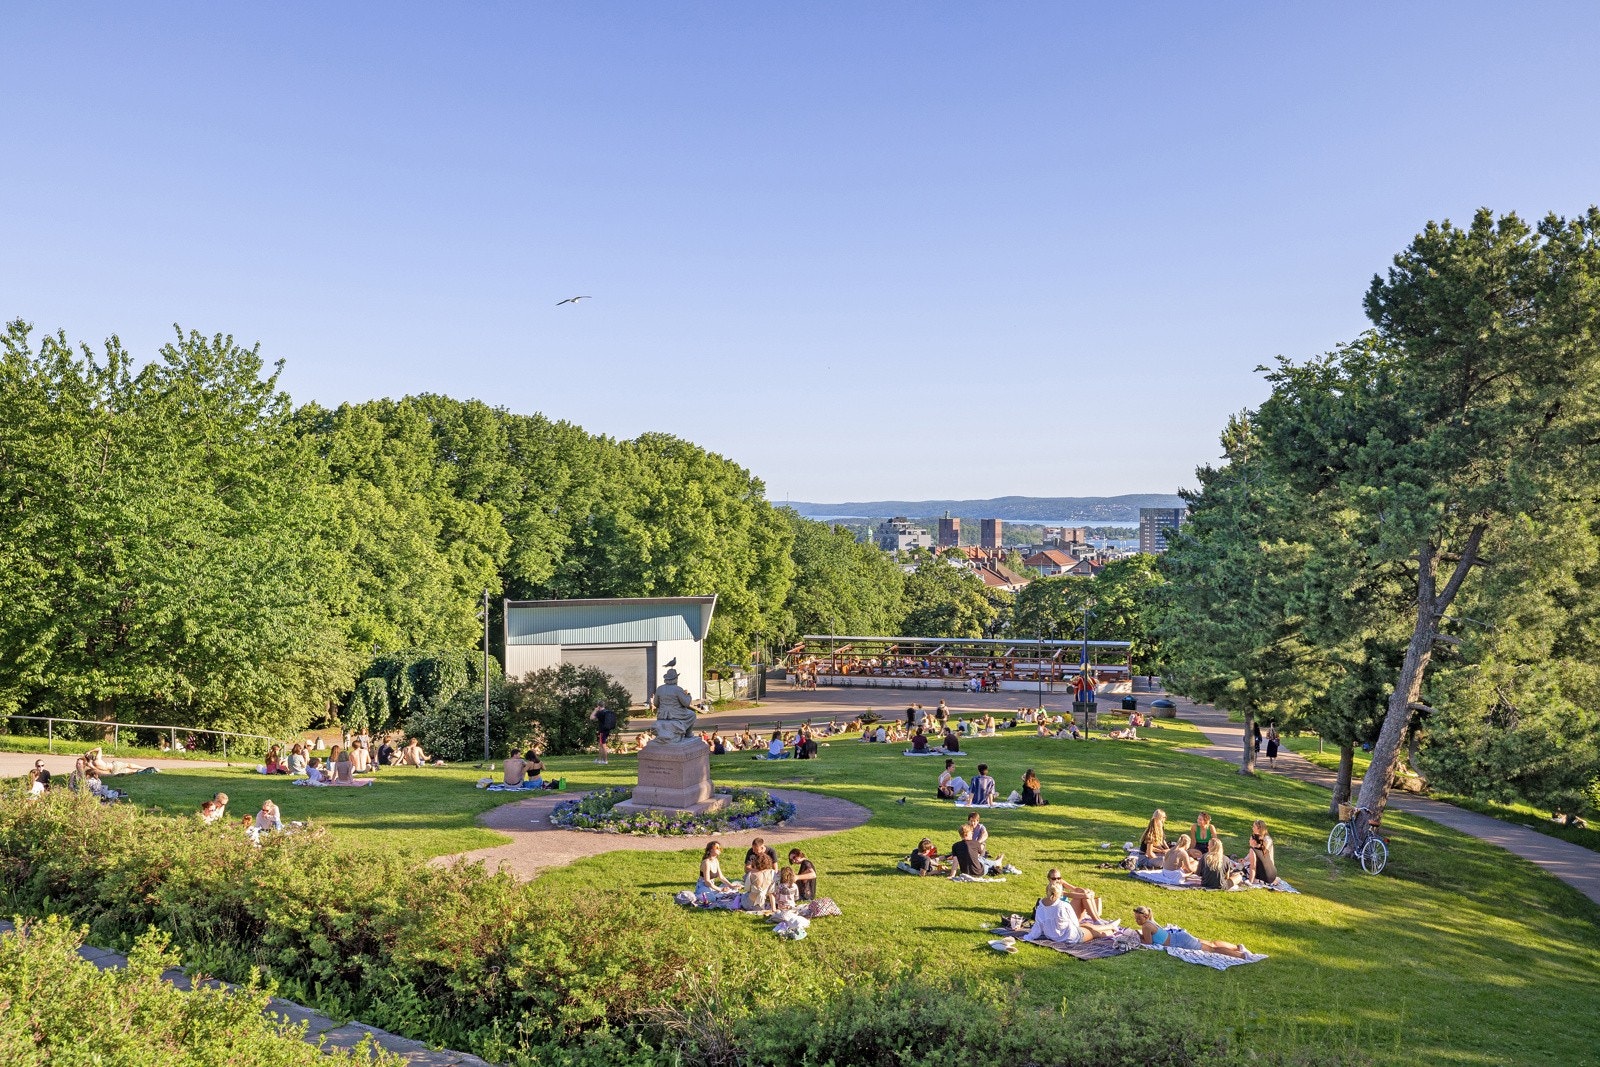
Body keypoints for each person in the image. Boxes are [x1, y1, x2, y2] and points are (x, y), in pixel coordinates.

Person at [1133, 905, 1250, 958]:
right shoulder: (1151, 921)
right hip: (1180, 937)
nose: (1137, 921)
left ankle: (1241, 955)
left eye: (1139, 918)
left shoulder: (1146, 927)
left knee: (1212, 949)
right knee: (1211, 943)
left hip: (1179, 941)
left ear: (1146, 916)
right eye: (1136, 918)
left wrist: (1138, 935)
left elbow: (1148, 943)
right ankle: (1237, 947)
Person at [1023, 885, 1104, 945]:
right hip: (1069, 937)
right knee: (1094, 932)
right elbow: (1075, 923)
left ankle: (1109, 926)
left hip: (1051, 936)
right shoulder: (1064, 905)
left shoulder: (1040, 906)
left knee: (1087, 925)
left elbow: (1038, 926)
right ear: (1061, 893)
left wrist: (1029, 937)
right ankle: (1111, 928)